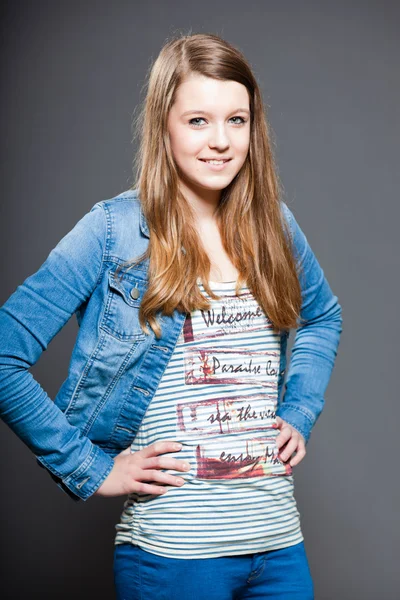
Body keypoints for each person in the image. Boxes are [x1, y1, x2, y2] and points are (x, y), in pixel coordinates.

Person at [0, 32, 342, 600]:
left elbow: (321, 317)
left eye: (237, 120)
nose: (222, 142)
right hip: (174, 561)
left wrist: (300, 408)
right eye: (198, 121)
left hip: (280, 548)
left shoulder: (273, 226)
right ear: (164, 125)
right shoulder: (112, 231)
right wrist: (92, 469)